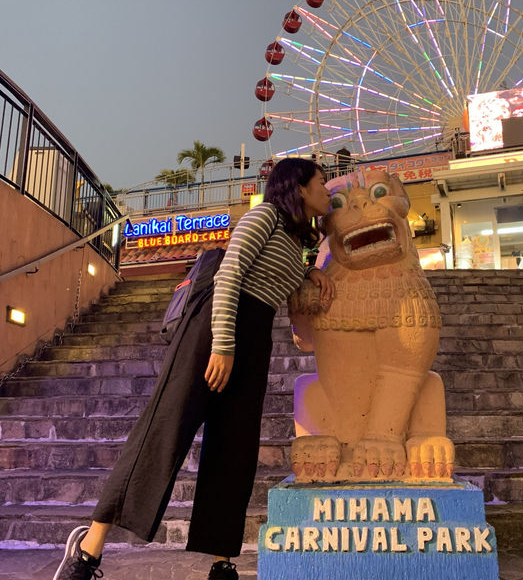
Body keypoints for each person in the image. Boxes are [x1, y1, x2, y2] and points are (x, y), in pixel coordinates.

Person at [53, 158, 335, 580]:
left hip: (255, 337)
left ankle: (222, 561)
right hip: (214, 331)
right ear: (298, 187)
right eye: (321, 182)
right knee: (165, 429)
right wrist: (222, 345)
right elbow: (230, 276)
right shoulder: (264, 216)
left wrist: (309, 271)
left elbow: (277, 278)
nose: (327, 191)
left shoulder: (295, 241)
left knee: (235, 448)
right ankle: (89, 549)